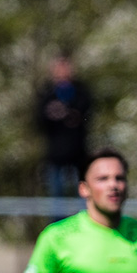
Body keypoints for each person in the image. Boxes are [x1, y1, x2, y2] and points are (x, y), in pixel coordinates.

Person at [35, 53, 94, 200]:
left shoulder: (81, 92)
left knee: (81, 195)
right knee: (57, 198)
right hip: (55, 155)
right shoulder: (46, 93)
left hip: (77, 153)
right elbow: (40, 119)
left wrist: (62, 112)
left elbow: (84, 114)